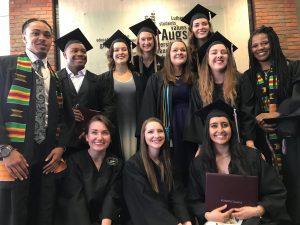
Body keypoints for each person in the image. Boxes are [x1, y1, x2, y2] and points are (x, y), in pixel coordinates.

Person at [0, 18, 67, 225]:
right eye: (36, 33)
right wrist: (5, 149)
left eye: (47, 35)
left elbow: (65, 118)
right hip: (15, 156)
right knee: (14, 213)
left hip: (45, 157)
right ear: (24, 37)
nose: (42, 38)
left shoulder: (55, 76)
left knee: (43, 210)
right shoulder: (6, 65)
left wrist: (61, 147)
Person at [188, 100, 287, 225]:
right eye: (214, 126)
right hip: (217, 221)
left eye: (225, 124)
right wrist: (208, 214)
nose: (220, 130)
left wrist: (257, 210)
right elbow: (193, 200)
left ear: (232, 128)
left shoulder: (252, 156)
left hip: (252, 220)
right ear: (207, 131)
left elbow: (276, 192)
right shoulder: (198, 164)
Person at [244, 25, 300, 225]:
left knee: (295, 182)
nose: (260, 48)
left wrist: (279, 114)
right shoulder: (248, 76)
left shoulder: (292, 67)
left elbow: (297, 98)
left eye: (264, 43)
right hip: (263, 141)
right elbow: (246, 109)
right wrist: (257, 124)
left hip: (291, 139)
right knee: (268, 185)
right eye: (255, 45)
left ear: (273, 43)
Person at [138, 39, 196, 185]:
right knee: (171, 166)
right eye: (175, 50)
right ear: (168, 55)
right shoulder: (157, 78)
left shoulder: (194, 78)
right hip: (169, 130)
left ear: (187, 54)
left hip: (190, 129)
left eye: (182, 50)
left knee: (191, 166)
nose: (179, 53)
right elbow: (149, 109)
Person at [184, 32, 256, 150]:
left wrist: (250, 141)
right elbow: (196, 117)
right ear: (207, 58)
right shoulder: (198, 86)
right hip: (209, 144)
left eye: (224, 52)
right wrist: (201, 146)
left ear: (229, 57)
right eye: (214, 53)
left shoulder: (241, 80)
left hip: (238, 141)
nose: (219, 55)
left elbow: (247, 111)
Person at [55, 28, 119, 157]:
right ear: (65, 55)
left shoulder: (99, 80)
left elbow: (109, 109)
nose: (80, 54)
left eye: (83, 51)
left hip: (92, 143)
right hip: (62, 143)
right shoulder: (54, 80)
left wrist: (93, 132)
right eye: (74, 50)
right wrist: (67, 113)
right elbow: (48, 109)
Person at [54, 115, 122, 225]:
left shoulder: (116, 164)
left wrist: (106, 221)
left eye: (105, 133)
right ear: (86, 137)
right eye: (94, 132)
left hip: (105, 220)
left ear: (111, 137)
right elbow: (75, 201)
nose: (99, 137)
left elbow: (112, 195)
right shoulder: (73, 162)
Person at [123, 117, 192, 225]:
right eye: (150, 132)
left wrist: (186, 220)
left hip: (170, 218)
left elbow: (177, 194)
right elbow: (147, 203)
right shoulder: (133, 166)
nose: (156, 135)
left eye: (160, 131)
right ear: (143, 136)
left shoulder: (169, 162)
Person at [101, 30, 147, 160]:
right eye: (116, 50)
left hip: (136, 126)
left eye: (124, 49)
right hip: (115, 126)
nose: (120, 52)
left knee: (135, 159)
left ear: (129, 53)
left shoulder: (139, 78)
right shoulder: (104, 80)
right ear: (111, 54)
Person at [181, 4, 216, 73]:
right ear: (191, 29)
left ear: (209, 27)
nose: (201, 27)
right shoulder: (188, 53)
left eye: (204, 24)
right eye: (196, 25)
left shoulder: (220, 46)